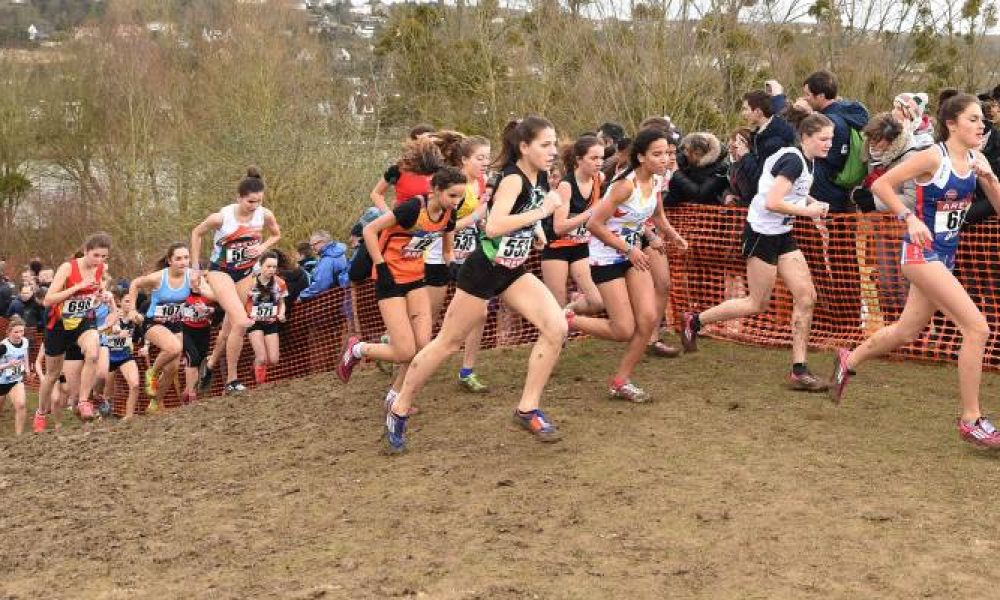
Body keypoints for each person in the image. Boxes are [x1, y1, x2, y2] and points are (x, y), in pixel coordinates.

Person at [370, 116, 567, 453]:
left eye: (554, 144)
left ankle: (527, 408)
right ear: (524, 147)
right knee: (447, 343)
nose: (553, 151)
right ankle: (399, 406)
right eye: (545, 145)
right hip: (483, 270)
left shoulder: (540, 177)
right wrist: (541, 214)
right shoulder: (513, 179)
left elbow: (523, 212)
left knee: (556, 327)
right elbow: (494, 227)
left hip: (513, 269)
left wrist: (535, 233)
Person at [830, 94, 1000, 448]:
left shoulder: (978, 159)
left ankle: (850, 358)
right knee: (977, 328)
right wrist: (908, 218)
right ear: (951, 123)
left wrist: (991, 180)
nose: (981, 125)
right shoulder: (932, 157)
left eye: (982, 119)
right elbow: (880, 185)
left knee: (907, 330)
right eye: (972, 119)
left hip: (944, 258)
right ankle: (971, 420)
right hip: (921, 255)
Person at [681, 114, 836, 392]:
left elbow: (792, 192)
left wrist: (814, 201)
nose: (830, 144)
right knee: (756, 303)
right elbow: (772, 201)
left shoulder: (806, 160)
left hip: (783, 234)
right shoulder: (793, 160)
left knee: (806, 297)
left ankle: (799, 370)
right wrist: (808, 211)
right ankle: (695, 321)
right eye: (824, 138)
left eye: (831, 138)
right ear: (806, 137)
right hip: (762, 235)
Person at [568, 128, 684, 401]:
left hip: (633, 254)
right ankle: (568, 320)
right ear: (641, 157)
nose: (665, 159)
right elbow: (594, 224)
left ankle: (621, 381)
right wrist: (628, 249)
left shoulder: (657, 180)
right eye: (657, 154)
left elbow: (657, 215)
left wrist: (672, 236)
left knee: (648, 319)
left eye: (667, 153)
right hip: (607, 257)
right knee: (623, 330)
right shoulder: (625, 186)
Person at [337, 167, 465, 416]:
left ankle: (394, 398)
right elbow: (369, 231)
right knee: (405, 351)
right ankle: (357, 349)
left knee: (422, 349)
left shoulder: (449, 213)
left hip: (416, 278)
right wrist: (380, 266)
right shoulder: (413, 208)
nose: (456, 202)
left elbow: (447, 251)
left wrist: (455, 267)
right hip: (390, 279)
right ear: (436, 190)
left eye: (460, 197)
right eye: (452, 195)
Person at [190, 167, 281, 395]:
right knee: (241, 322)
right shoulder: (221, 218)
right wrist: (195, 268)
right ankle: (232, 381)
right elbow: (196, 233)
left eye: (259, 201)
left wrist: (262, 247)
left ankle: (210, 364)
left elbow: (276, 234)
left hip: (245, 273)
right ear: (239, 198)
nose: (255, 206)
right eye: (250, 202)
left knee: (229, 328)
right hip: (220, 272)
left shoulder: (265, 215)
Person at [34, 234, 111, 431]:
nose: (99, 260)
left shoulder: (100, 268)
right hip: (58, 324)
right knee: (52, 374)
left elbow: (96, 290)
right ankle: (41, 412)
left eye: (104, 256)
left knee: (92, 353)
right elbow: (48, 300)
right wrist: (77, 287)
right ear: (85, 251)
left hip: (83, 321)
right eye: (96, 255)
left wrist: (101, 294)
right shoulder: (68, 268)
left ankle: (84, 401)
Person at [446, 134, 494, 393]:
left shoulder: (483, 182)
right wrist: (475, 216)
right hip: (443, 255)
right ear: (464, 160)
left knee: (480, 313)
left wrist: (485, 224)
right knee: (431, 315)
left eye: (488, 157)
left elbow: (480, 220)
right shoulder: (455, 184)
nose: (485, 162)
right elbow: (444, 226)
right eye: (480, 158)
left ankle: (467, 370)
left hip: (472, 256)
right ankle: (394, 343)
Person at [541, 135, 604, 317]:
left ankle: (569, 311)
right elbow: (559, 227)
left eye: (601, 158)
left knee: (597, 302)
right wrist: (589, 213)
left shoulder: (599, 178)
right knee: (556, 305)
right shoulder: (566, 185)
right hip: (557, 248)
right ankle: (558, 325)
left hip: (580, 246)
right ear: (579, 159)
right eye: (594, 158)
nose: (599, 163)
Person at [126, 243, 191, 413]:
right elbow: (135, 283)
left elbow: (207, 287)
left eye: (186, 258)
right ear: (170, 261)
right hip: (153, 321)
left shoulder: (191, 276)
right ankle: (152, 373)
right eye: (178, 258)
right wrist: (132, 309)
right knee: (174, 347)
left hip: (175, 322)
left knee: (172, 369)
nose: (183, 262)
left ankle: (155, 404)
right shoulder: (158, 277)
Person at [240, 251, 288, 385]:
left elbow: (282, 302)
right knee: (262, 358)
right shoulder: (250, 282)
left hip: (271, 322)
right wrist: (245, 317)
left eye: (274, 267)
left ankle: (255, 365)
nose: (271, 270)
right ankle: (260, 386)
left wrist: (281, 313)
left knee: (273, 360)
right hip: (254, 322)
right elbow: (241, 302)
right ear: (261, 266)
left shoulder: (280, 283)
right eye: (268, 266)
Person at [100, 288, 143, 419]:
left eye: (132, 302)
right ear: (120, 302)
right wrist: (116, 335)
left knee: (135, 384)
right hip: (109, 357)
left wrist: (139, 318)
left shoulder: (133, 316)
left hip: (125, 356)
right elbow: (101, 335)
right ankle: (103, 416)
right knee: (108, 393)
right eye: (127, 301)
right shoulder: (112, 316)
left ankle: (128, 417)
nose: (130, 304)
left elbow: (141, 320)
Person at [663, 132, 729, 206]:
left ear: (698, 152)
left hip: (707, 210)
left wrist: (676, 173)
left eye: (687, 150)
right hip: (681, 208)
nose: (685, 153)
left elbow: (700, 195)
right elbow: (675, 190)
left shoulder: (720, 168)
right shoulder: (684, 160)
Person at [181, 274, 216, 403]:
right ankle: (192, 395)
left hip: (203, 331)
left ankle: (187, 393)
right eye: (190, 281)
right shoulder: (182, 295)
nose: (193, 284)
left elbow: (219, 310)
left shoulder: (208, 294)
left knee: (199, 361)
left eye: (195, 281)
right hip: (186, 331)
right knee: (193, 358)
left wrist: (207, 309)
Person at [0, 316, 32, 436]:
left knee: (21, 405)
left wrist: (27, 369)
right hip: (1, 382)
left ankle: (19, 437)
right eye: (16, 332)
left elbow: (25, 354)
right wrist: (8, 364)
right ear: (9, 332)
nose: (19, 335)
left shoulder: (25, 341)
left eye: (21, 331)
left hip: (15, 380)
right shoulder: (3, 347)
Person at [298, 231, 349, 301]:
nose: (312, 248)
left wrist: (302, 295)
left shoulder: (328, 259)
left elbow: (321, 285)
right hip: (341, 295)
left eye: (314, 245)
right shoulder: (338, 252)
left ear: (322, 242)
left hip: (332, 299)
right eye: (311, 245)